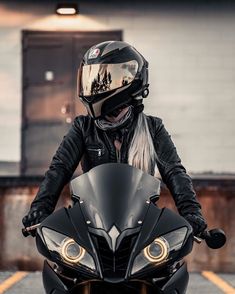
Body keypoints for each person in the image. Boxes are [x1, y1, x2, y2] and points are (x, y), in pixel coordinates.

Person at [22, 40, 207, 236]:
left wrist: (192, 213)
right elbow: (59, 168)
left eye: (104, 79)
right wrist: (40, 209)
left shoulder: (152, 128)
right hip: (91, 224)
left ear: (128, 81)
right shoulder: (83, 127)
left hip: (141, 226)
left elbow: (174, 172)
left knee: (171, 265)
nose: (94, 86)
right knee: (61, 265)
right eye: (91, 78)